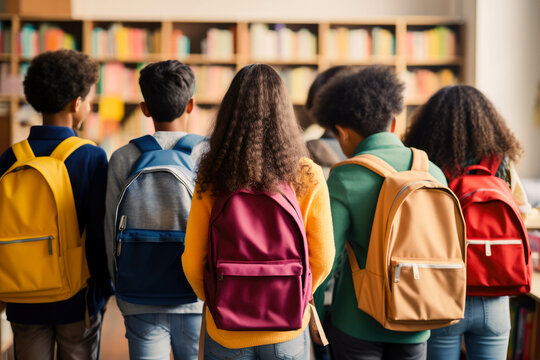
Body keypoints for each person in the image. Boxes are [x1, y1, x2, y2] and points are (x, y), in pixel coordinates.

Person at [182, 64, 335, 360]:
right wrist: (296, 294)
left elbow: (192, 260)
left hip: (226, 326)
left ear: (229, 113)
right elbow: (324, 258)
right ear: (284, 113)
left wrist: (217, 297)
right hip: (287, 327)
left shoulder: (212, 175)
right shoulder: (306, 174)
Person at [311, 65, 447, 360]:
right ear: (395, 123)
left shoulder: (345, 176)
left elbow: (325, 261)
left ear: (343, 133)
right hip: (419, 315)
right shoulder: (432, 170)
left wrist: (316, 317)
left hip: (357, 319)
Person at [0, 49, 112, 360]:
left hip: (21, 295)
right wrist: (102, 292)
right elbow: (100, 235)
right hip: (77, 301)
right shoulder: (90, 156)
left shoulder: (12, 157)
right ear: (77, 103)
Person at [403, 85, 525, 360]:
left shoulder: (425, 161)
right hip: (494, 292)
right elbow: (521, 211)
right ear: (488, 122)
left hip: (443, 294)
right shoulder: (499, 161)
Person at [104, 60, 204, 360]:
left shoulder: (123, 157)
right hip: (196, 297)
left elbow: (109, 228)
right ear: (191, 105)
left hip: (138, 294)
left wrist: (119, 287)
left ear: (144, 108)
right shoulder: (209, 154)